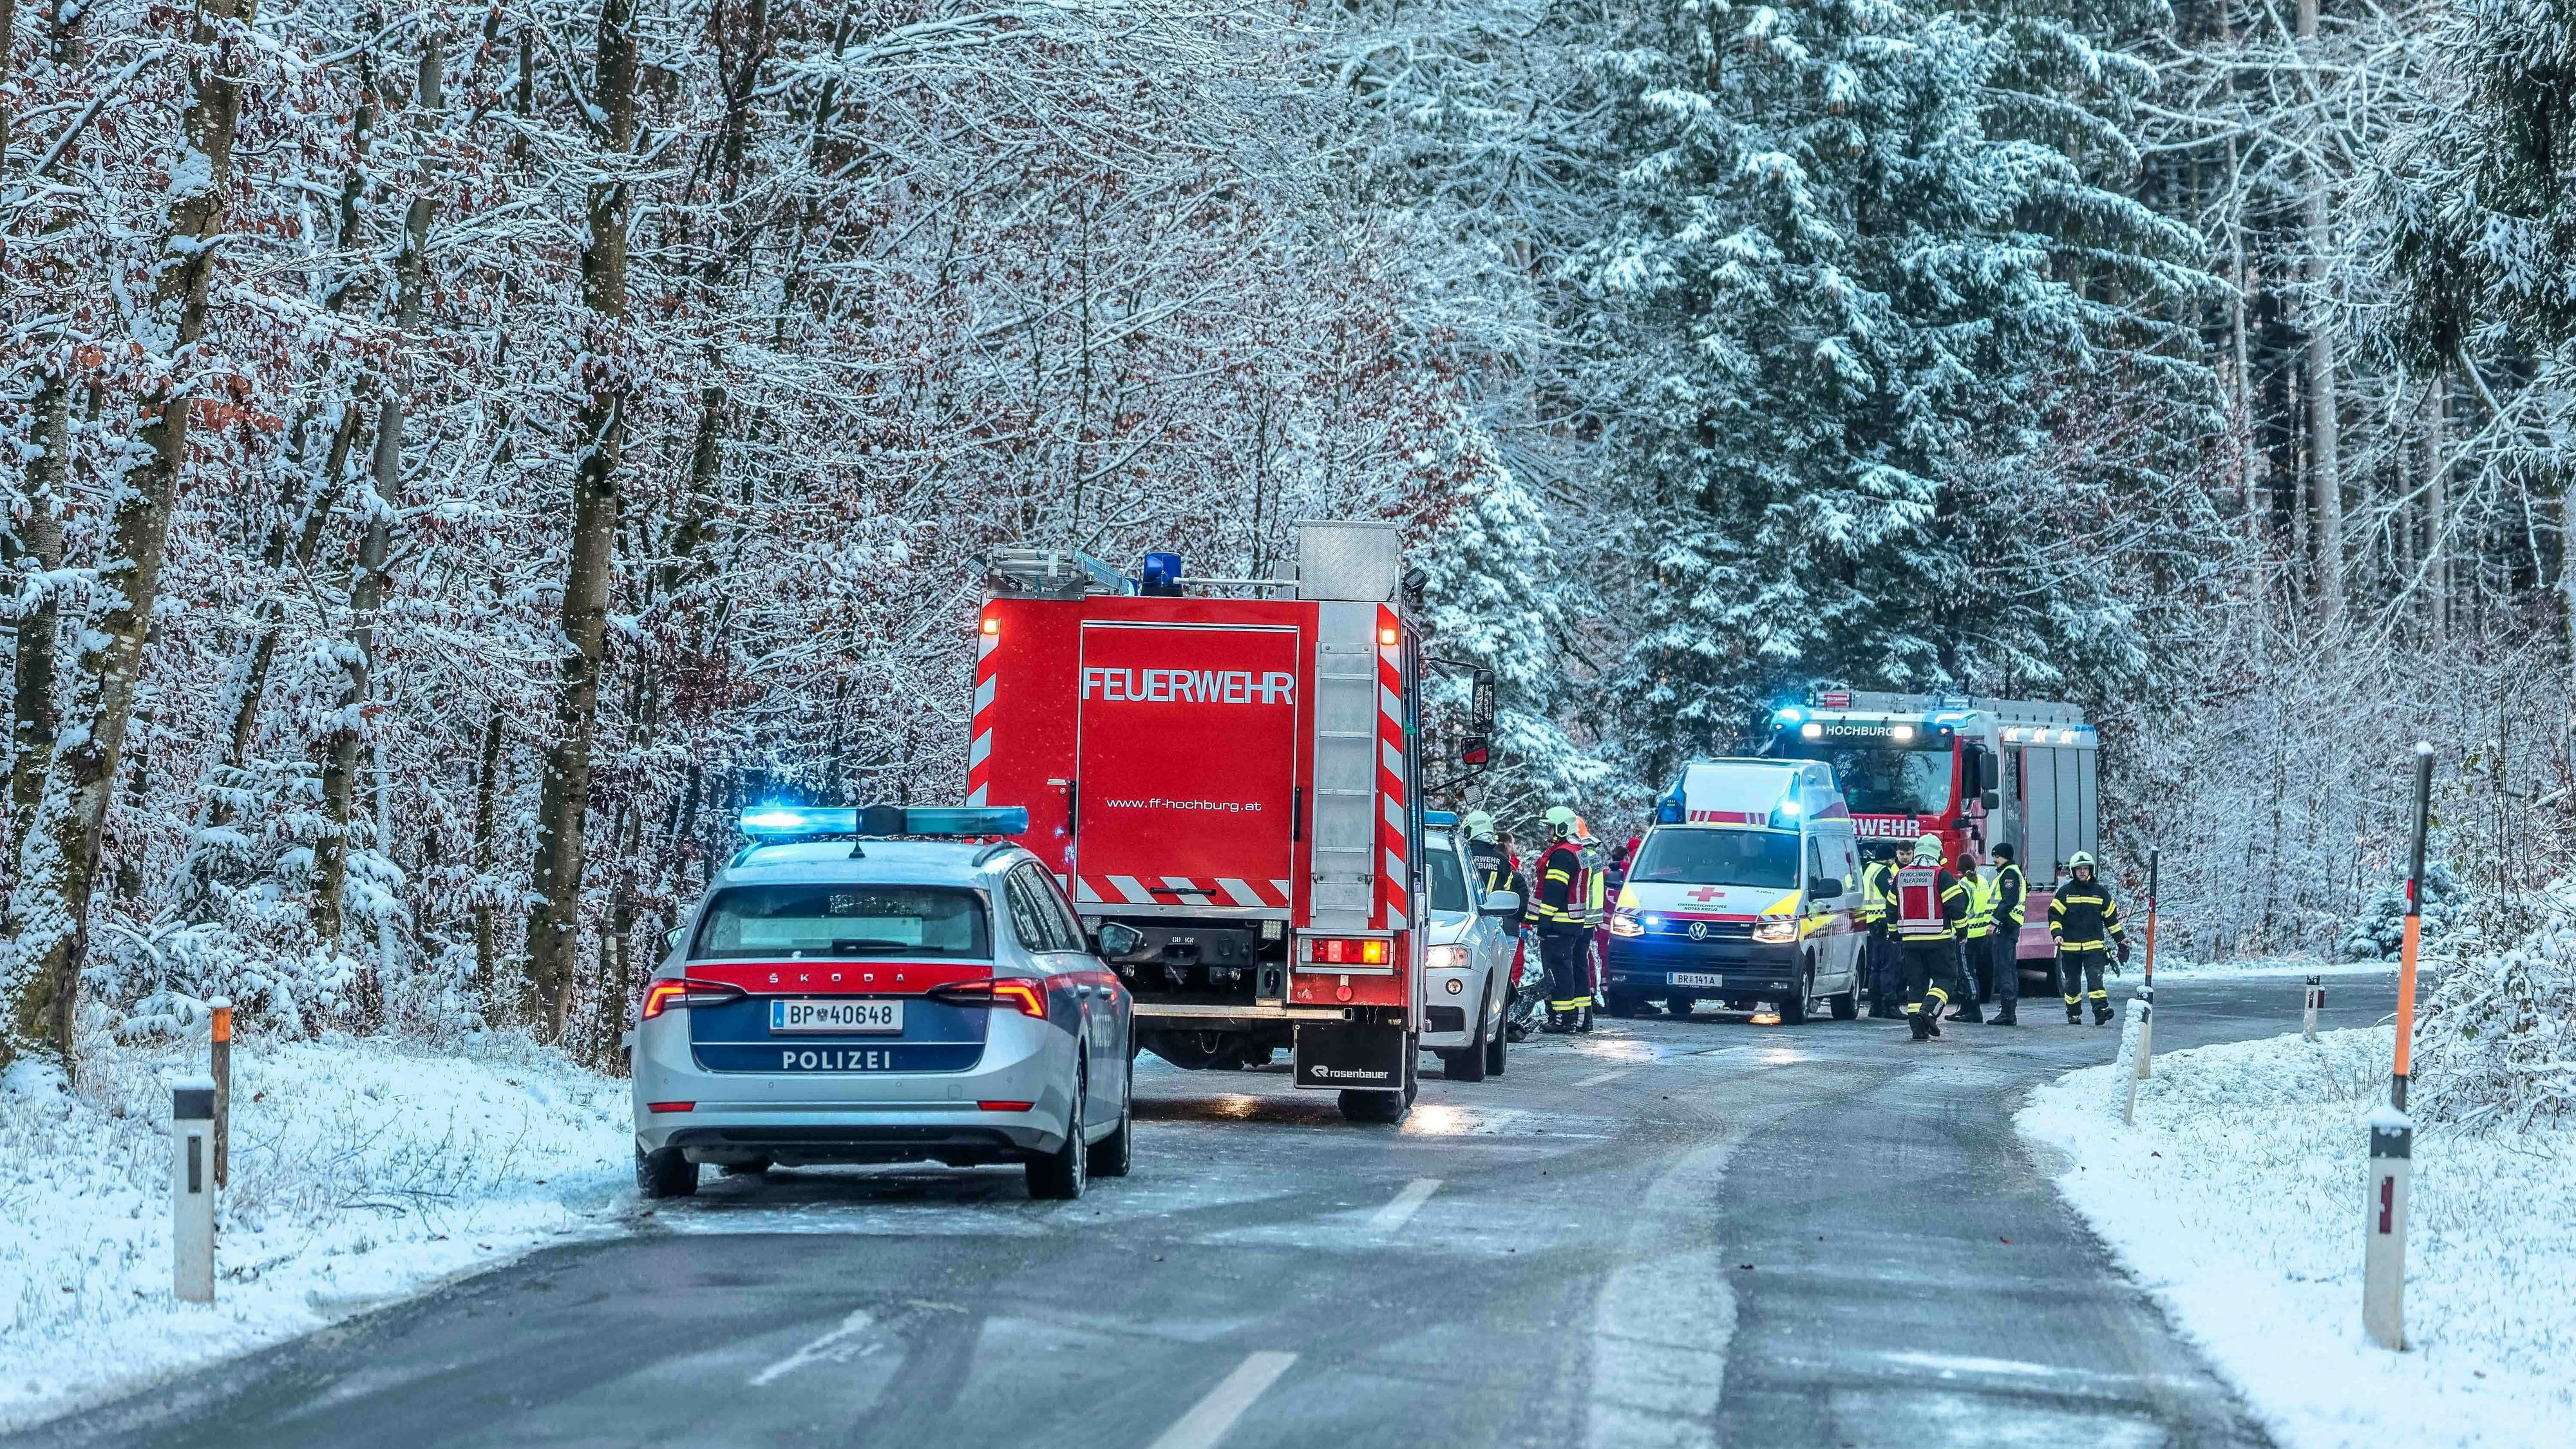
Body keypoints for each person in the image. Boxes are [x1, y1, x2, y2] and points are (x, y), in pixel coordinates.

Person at [1891, 833, 1970, 1041]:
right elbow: (1957, 907)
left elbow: (1891, 907)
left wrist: (1894, 933)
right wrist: (1962, 932)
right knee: (1946, 979)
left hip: (1909, 942)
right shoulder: (1941, 875)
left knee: (1917, 984)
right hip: (1938, 940)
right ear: (1938, 853)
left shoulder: (1901, 875)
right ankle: (1929, 1011)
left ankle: (1918, 1030)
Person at [1530, 806, 1593, 1033]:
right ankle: (1574, 1019)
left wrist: (1544, 921)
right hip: (1574, 922)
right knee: (1570, 968)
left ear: (1562, 828)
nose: (1548, 832)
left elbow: (1554, 890)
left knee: (1558, 971)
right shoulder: (1579, 851)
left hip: (1559, 922)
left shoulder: (1562, 855)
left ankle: (1563, 1020)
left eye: (1550, 827)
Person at [2049, 851, 2128, 1025]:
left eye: (2085, 869)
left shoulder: (2101, 893)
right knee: (2072, 983)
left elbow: (2111, 920)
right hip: (2070, 948)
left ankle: (2101, 1011)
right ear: (2073, 871)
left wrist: (2121, 940)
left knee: (2095, 977)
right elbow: (2055, 916)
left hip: (2094, 948)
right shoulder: (2065, 893)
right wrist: (2057, 934)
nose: (2083, 872)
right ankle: (2074, 1013)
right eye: (2079, 869)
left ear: (2091, 870)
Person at [1860, 844, 1904, 1019]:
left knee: (1876, 966)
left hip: (1874, 924)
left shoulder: (1869, 869)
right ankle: (1890, 1006)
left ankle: (1876, 1006)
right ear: (1889, 858)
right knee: (1890, 965)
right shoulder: (1883, 872)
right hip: (1884, 922)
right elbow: (1893, 895)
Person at [1985, 843, 2026, 1025]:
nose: (1994, 860)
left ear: (2006, 857)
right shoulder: (2009, 872)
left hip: (2006, 925)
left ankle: (2008, 1013)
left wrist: (1994, 922)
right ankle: (2009, 1011)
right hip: (2009, 926)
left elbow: (2009, 901)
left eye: (1998, 856)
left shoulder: (2009, 874)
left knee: (2004, 968)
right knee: (2008, 967)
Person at [1951, 846, 1989, 1024]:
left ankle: (1974, 1010)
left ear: (1959, 869)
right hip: (1981, 934)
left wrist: (1958, 932)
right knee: (1970, 971)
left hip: (1966, 935)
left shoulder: (1964, 885)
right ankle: (1965, 1009)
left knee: (1966, 973)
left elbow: (1960, 910)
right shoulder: (1983, 881)